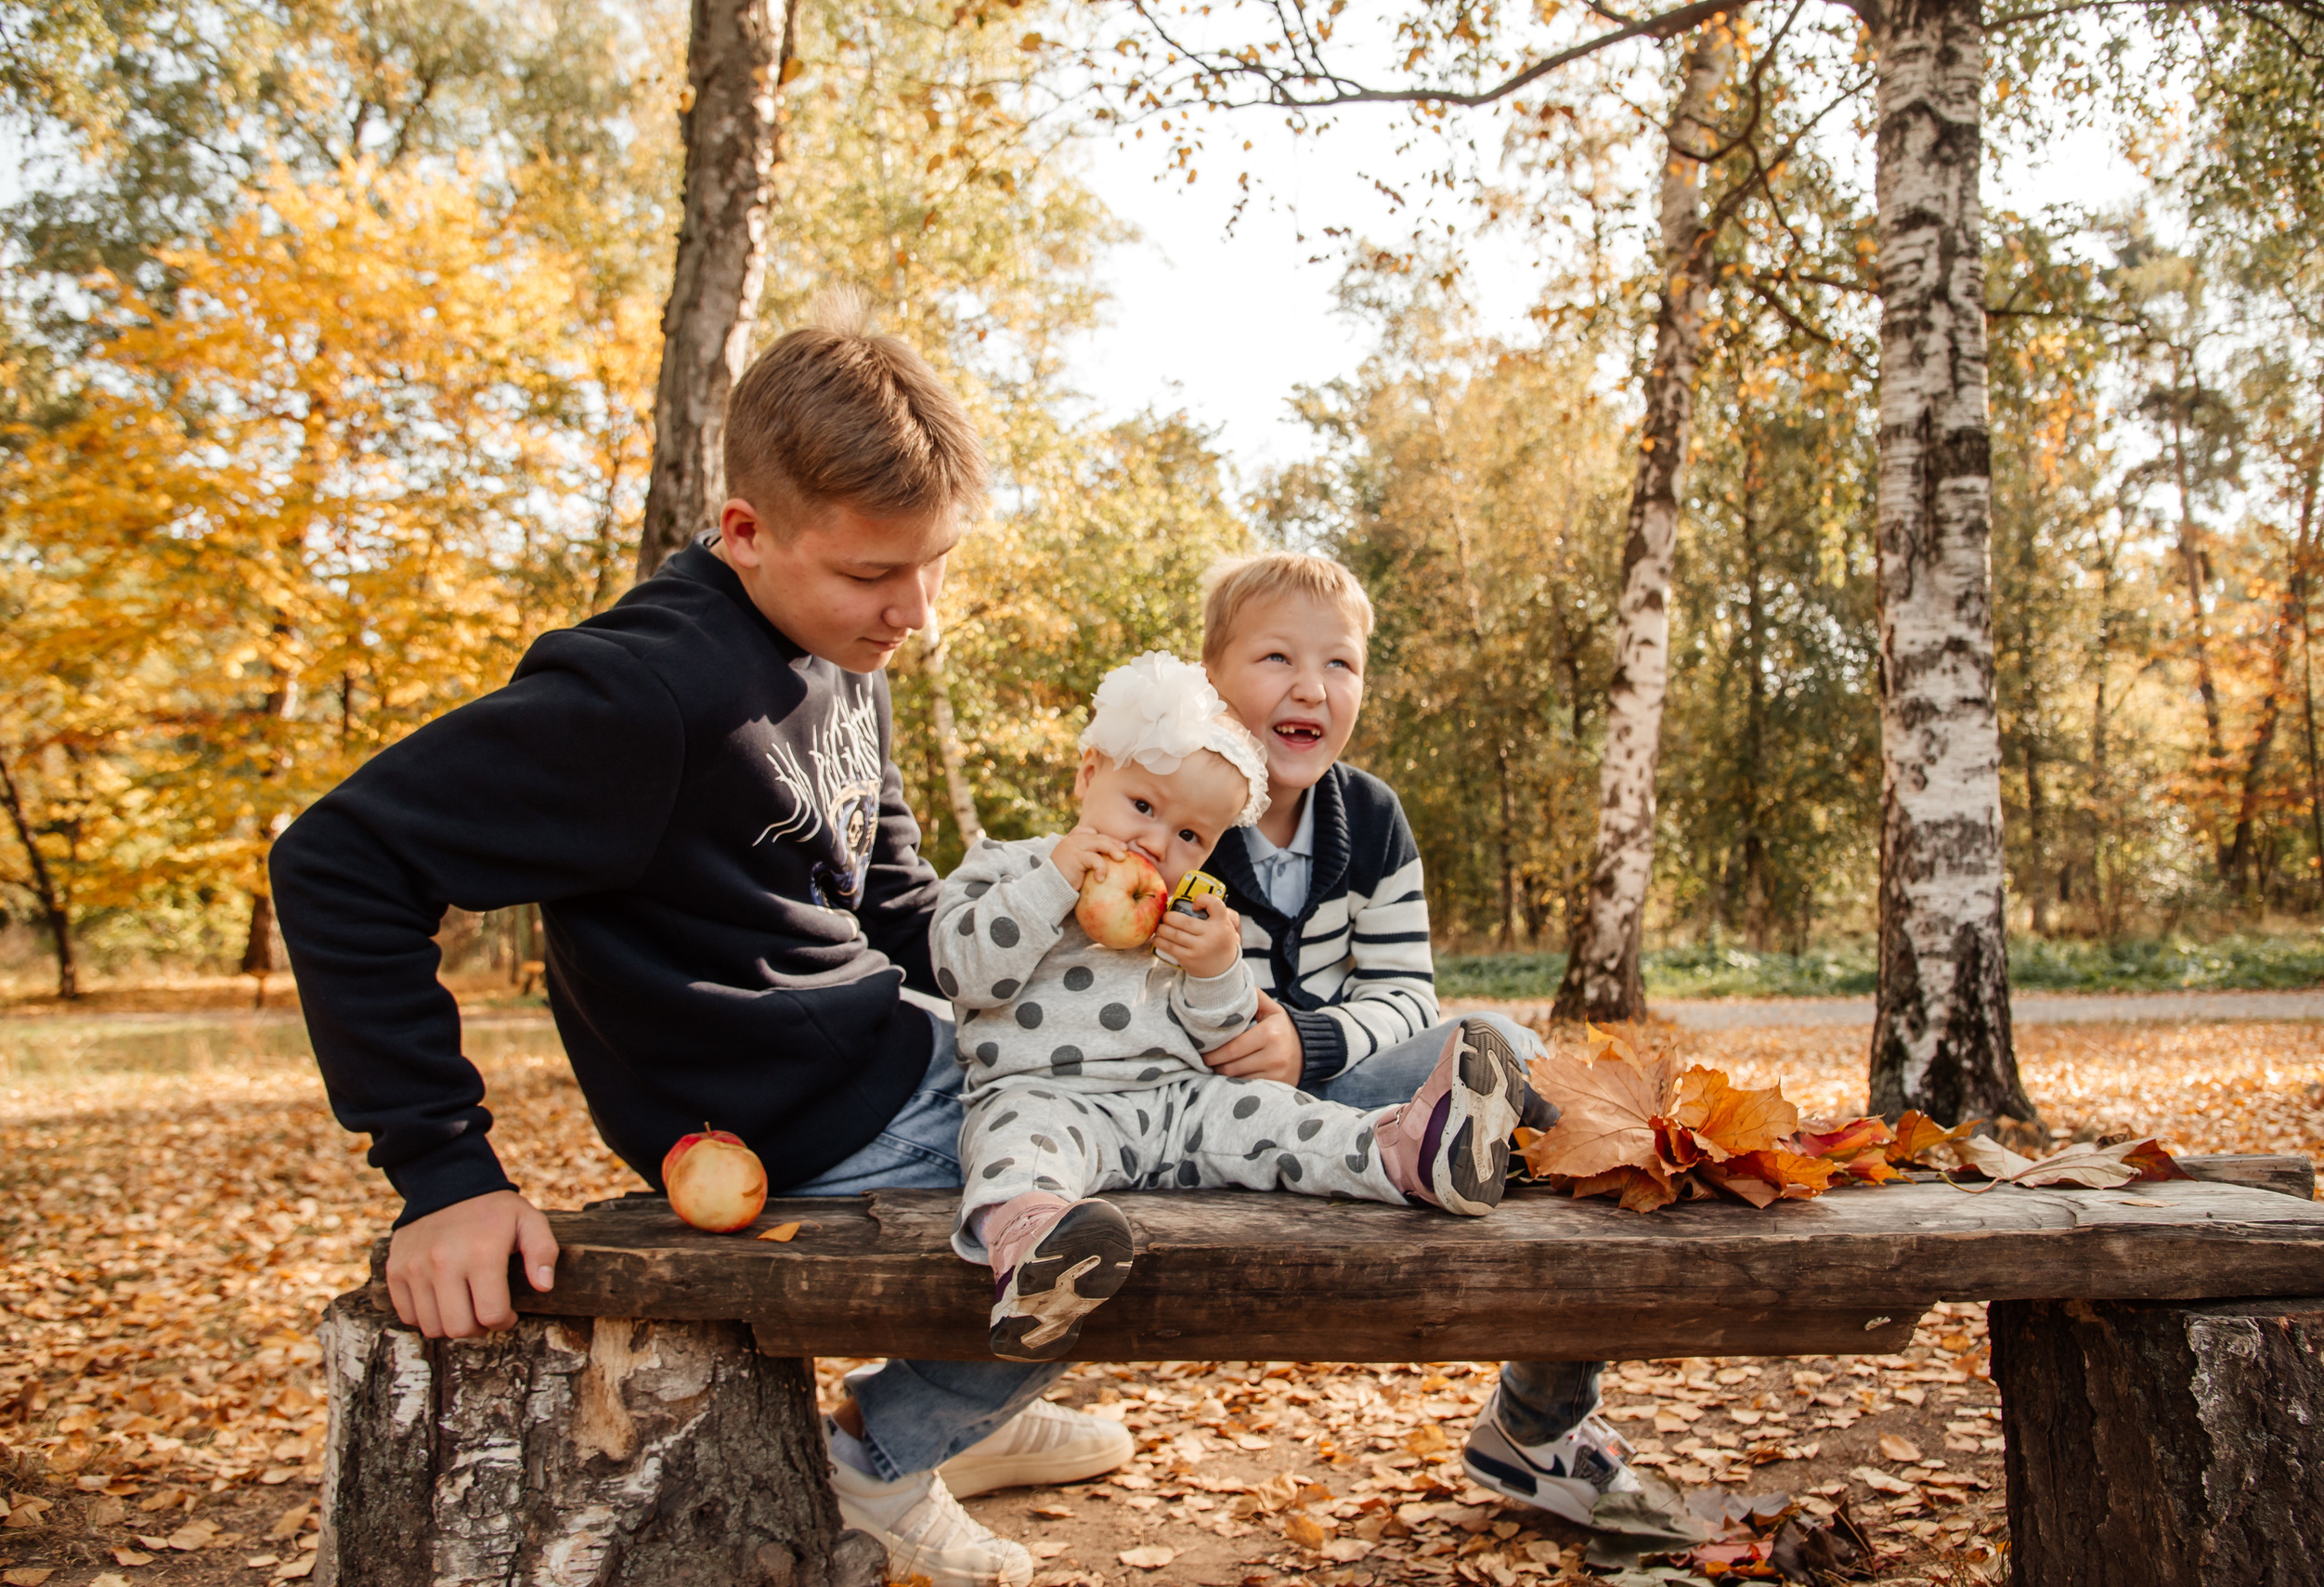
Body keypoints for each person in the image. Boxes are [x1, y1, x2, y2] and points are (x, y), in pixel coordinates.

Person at [269, 300, 1132, 1587]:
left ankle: (968, 1406)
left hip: (882, 1054)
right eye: (871, 574)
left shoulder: (844, 645)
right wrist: (443, 1170)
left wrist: (1060, 961)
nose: (917, 613)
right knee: (1134, 1195)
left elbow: (893, 901)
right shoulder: (644, 693)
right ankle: (888, 1461)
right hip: (778, 1116)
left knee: (1151, 1081)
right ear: (743, 532)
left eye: (932, 564)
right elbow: (338, 859)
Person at [1193, 552, 1642, 1525]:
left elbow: (1403, 991)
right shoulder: (1175, 801)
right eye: (1275, 657)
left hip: (1335, 1084)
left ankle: (1538, 1419)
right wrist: (1241, 1036)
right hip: (1200, 1105)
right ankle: (1428, 1147)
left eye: (1340, 664)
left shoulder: (1371, 817)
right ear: (1209, 679)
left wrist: (1309, 1042)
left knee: (1513, 1052)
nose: (1311, 686)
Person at [933, 652, 1540, 1361]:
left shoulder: (1186, 912)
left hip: (1177, 1103)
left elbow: (1222, 1039)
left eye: (1191, 836)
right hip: (1044, 1097)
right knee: (1018, 1145)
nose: (1158, 843)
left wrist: (1219, 969)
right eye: (1143, 807)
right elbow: (965, 971)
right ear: (1089, 773)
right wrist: (1054, 883)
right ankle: (1039, 1255)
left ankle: (1413, 1153)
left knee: (1284, 1120)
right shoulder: (1008, 868)